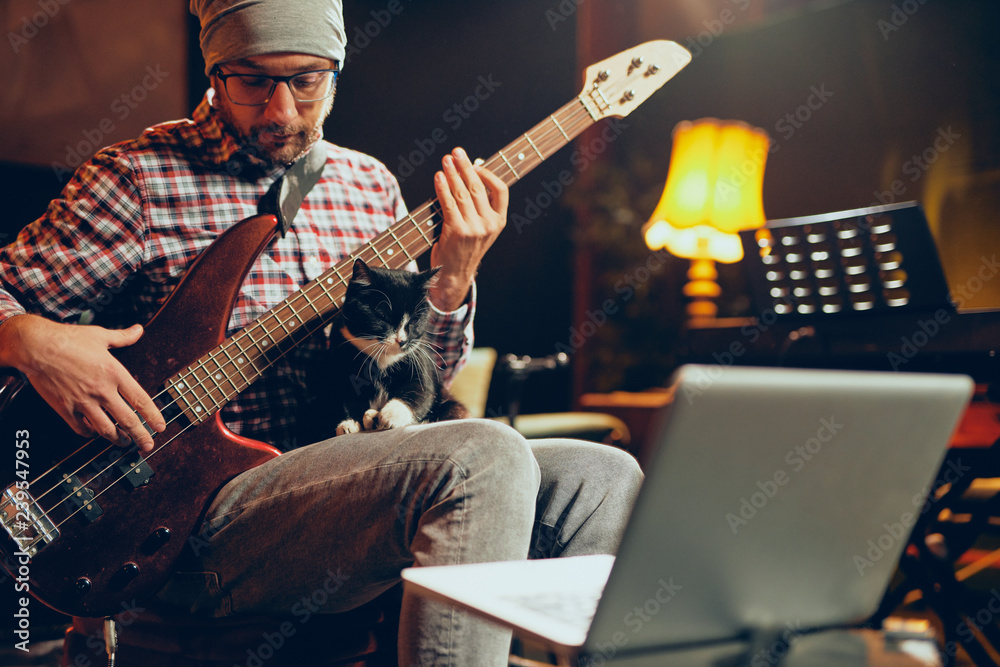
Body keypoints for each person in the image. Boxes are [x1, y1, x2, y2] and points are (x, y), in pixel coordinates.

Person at [0, 1, 643, 664]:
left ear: (337, 72)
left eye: (306, 80)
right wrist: (30, 338)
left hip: (344, 477)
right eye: (251, 80)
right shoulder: (138, 178)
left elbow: (422, 381)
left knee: (600, 472)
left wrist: (449, 285)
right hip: (191, 510)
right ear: (213, 72)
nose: (280, 111)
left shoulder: (368, 186)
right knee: (484, 453)